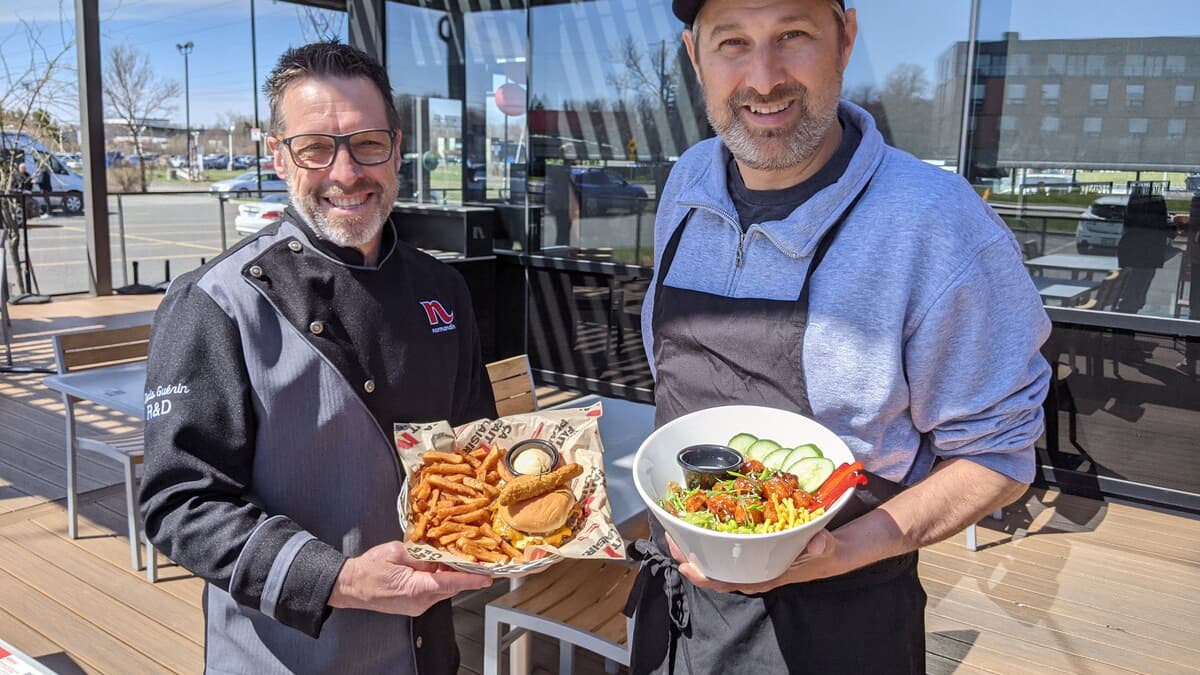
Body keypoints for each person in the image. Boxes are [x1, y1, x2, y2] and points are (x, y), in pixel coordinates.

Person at [625, 1, 1051, 673]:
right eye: (732, 42)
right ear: (694, 56)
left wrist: (845, 548)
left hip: (840, 628)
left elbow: (998, 456)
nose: (764, 79)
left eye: (792, 35)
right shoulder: (687, 182)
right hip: (677, 615)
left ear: (845, 39)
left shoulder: (933, 223)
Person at [139, 42, 495, 674]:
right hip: (286, 656)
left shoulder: (444, 289)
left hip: (430, 651)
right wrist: (342, 580)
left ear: (398, 148)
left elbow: (476, 452)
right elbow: (181, 504)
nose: (346, 172)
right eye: (315, 148)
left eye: (366, 144)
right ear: (279, 156)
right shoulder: (215, 302)